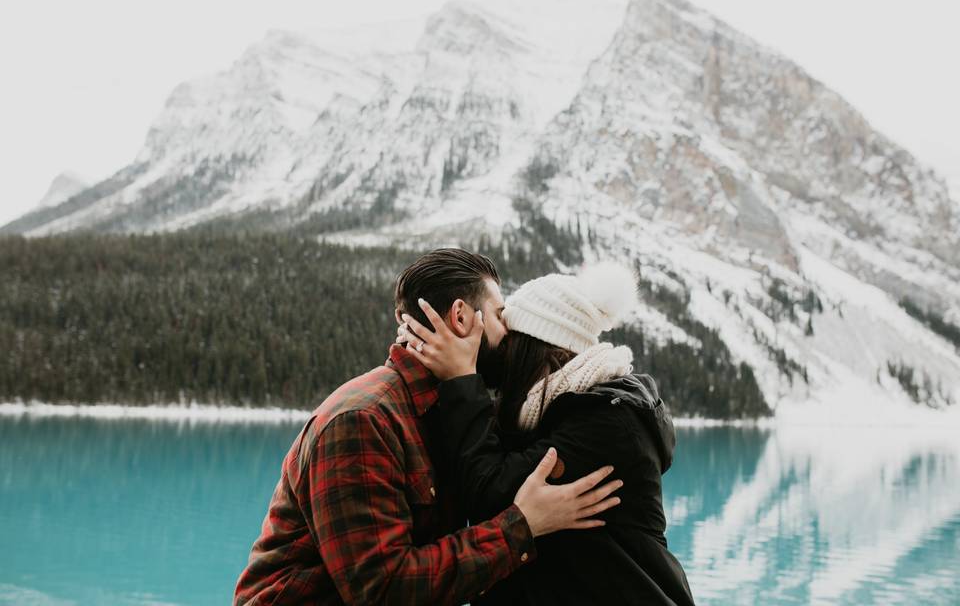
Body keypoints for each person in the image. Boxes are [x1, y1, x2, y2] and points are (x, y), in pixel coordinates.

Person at [233, 249, 622, 605]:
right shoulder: (363, 421)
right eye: (501, 317)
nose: (510, 335)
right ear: (461, 317)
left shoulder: (448, 411)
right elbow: (382, 590)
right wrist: (523, 525)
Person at [398, 261, 696, 605]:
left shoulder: (607, 422)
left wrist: (460, 379)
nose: (501, 351)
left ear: (536, 348)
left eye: (510, 342)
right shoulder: (553, 412)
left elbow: (488, 492)